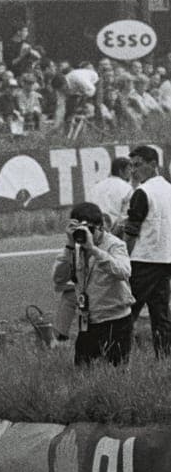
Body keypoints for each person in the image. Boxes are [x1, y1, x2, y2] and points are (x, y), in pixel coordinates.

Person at [52, 202, 134, 365]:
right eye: (80, 229)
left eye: (90, 229)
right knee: (82, 369)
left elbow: (124, 271)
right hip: (88, 319)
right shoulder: (73, 247)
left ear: (101, 227)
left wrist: (94, 250)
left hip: (116, 319)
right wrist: (69, 245)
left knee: (117, 372)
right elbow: (59, 279)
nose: (85, 234)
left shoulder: (115, 244)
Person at [122, 144, 171, 356]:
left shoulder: (142, 192)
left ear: (153, 164)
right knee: (161, 314)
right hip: (165, 258)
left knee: (126, 311)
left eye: (138, 165)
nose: (133, 170)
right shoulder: (169, 188)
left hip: (143, 260)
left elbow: (132, 230)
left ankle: (118, 356)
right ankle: (165, 357)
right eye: (131, 166)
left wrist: (122, 258)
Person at [86, 156, 132, 231]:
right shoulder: (127, 188)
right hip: (114, 232)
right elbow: (124, 218)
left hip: (95, 230)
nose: (131, 172)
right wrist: (112, 236)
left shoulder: (97, 186)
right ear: (121, 171)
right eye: (129, 169)